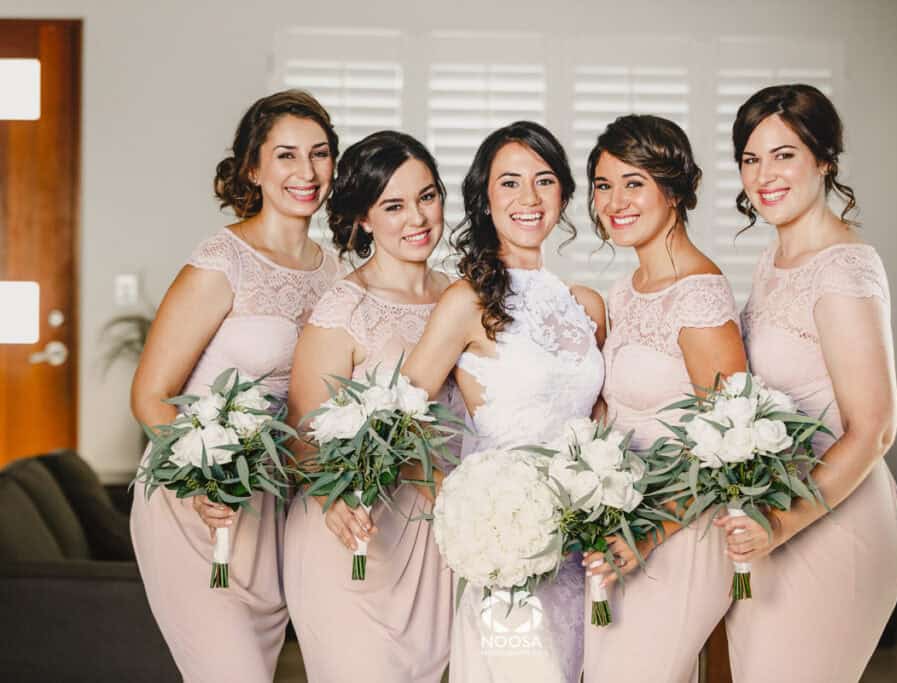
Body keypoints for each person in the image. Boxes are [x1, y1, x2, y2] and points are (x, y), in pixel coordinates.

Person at [129, 90, 340, 681]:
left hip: (269, 504)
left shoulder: (334, 270)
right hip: (194, 497)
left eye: (320, 153)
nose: (306, 172)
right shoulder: (222, 261)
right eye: (286, 155)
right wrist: (203, 478)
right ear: (253, 167)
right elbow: (148, 395)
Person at [719, 84, 897, 683]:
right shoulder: (773, 259)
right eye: (750, 159)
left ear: (824, 159)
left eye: (784, 155)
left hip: (832, 523)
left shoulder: (843, 268)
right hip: (773, 524)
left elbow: (874, 429)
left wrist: (779, 525)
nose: (763, 175)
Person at [402, 121, 605, 682]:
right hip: (507, 553)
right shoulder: (466, 301)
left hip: (582, 552)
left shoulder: (586, 305)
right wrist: (467, 511)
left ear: (563, 194)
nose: (529, 198)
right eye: (510, 183)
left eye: (544, 180)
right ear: (485, 198)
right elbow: (398, 419)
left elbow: (599, 420)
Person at [283, 130, 461, 682]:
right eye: (394, 205)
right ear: (363, 217)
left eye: (427, 196)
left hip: (433, 543)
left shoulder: (461, 296)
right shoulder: (344, 308)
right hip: (353, 536)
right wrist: (332, 499)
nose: (418, 218)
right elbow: (301, 433)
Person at [581, 114, 746, 683]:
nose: (614, 202)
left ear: (673, 190)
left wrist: (650, 532)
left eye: (634, 183)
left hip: (679, 531)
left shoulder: (699, 296)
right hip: (621, 523)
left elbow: (732, 444)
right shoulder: (624, 291)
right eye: (603, 185)